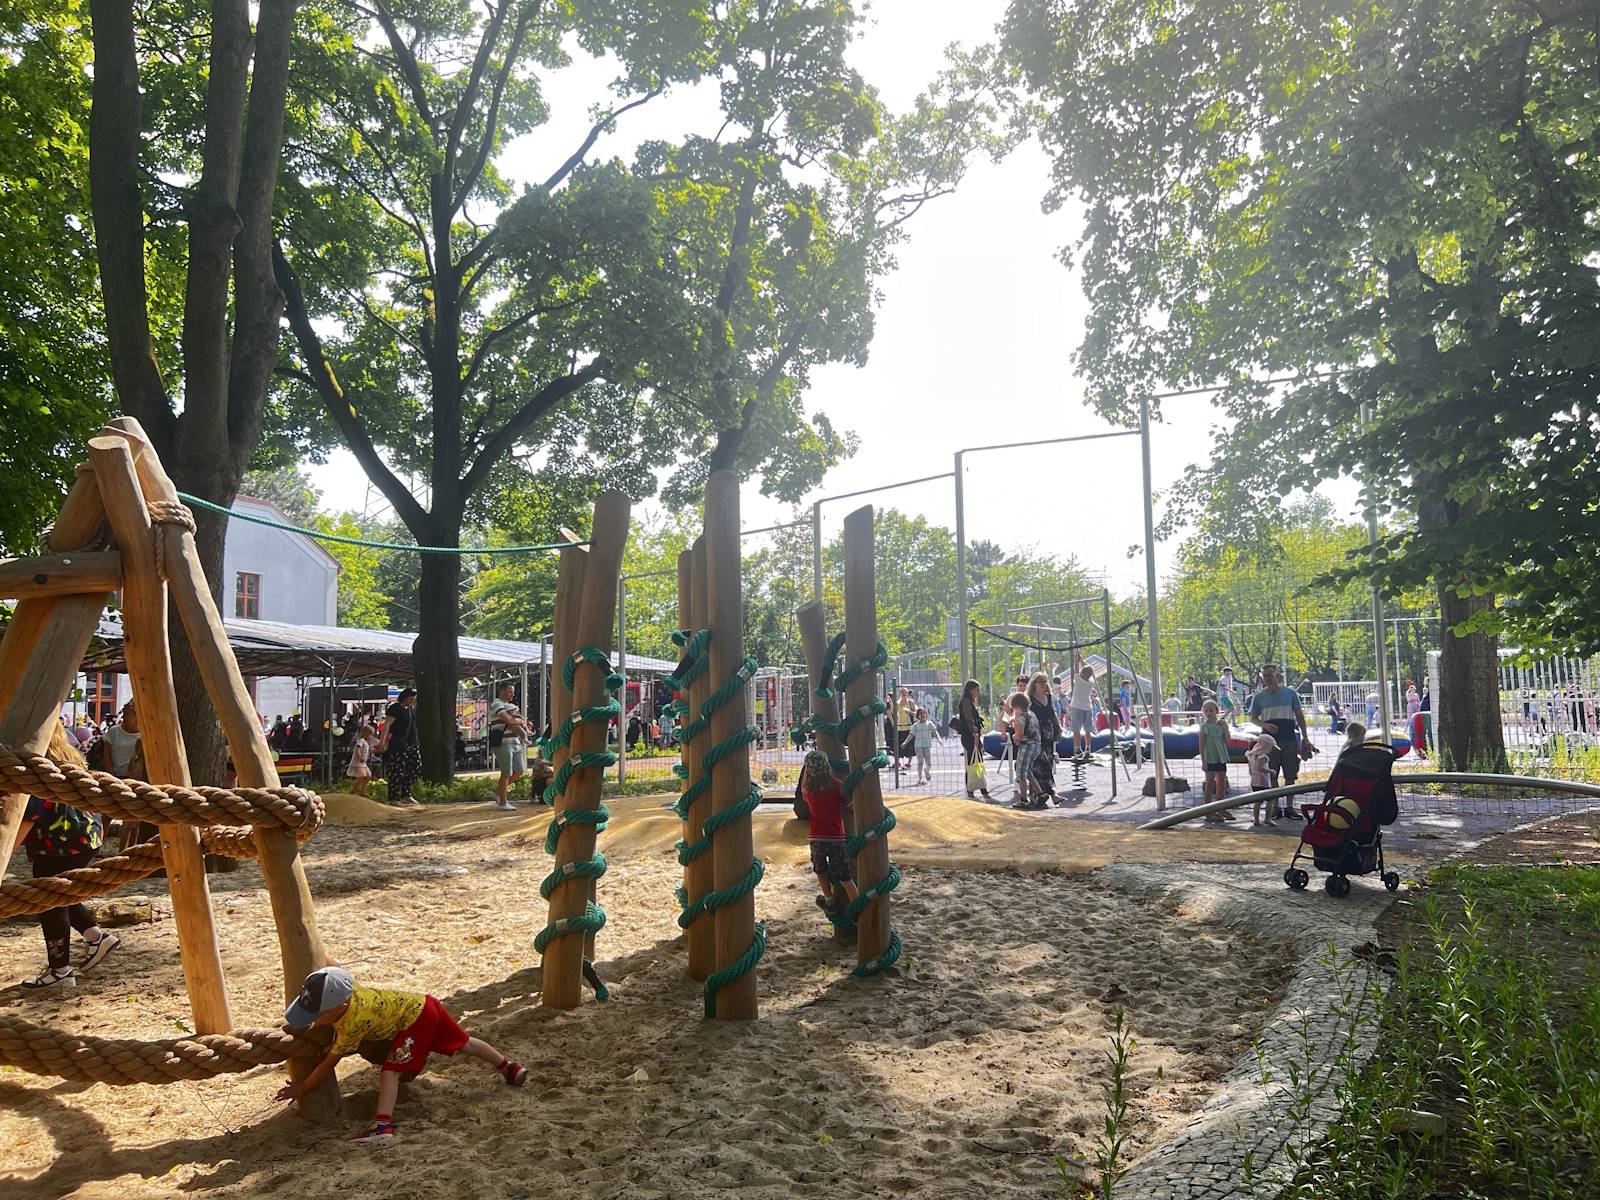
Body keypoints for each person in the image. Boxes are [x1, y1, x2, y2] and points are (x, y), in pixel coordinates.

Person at [276, 963, 527, 1144]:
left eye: (318, 1014)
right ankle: (509, 1067)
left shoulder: (351, 1025)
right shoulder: (350, 989)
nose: (314, 1020)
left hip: (414, 1021)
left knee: (391, 1071)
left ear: (340, 1007)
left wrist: (302, 1088)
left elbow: (328, 1063)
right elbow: (334, 968)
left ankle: (382, 1126)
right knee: (465, 1043)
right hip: (425, 1003)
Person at [12, 724, 125, 989]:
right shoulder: (68, 756)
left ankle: (60, 970)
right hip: (85, 838)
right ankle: (96, 937)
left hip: (61, 844)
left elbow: (28, 816)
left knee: (49, 901)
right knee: (62, 895)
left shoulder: (36, 768)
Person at [1247, 663, 1313, 819]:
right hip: (1268, 743)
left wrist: (1305, 737)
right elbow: (1253, 718)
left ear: (1276, 675)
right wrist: (1265, 725)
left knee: (1290, 773)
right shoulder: (1259, 697)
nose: (1268, 678)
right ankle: (1275, 807)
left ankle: (1289, 807)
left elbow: (1299, 716)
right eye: (1265, 676)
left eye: (1270, 675)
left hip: (1288, 738)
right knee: (1272, 774)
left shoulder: (1290, 693)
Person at [799, 750, 860, 918]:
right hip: (836, 839)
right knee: (845, 878)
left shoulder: (808, 790)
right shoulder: (836, 786)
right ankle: (858, 910)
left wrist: (806, 773)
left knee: (820, 870)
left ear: (807, 770)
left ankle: (829, 901)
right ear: (828, 767)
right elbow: (850, 805)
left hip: (816, 839)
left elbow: (803, 790)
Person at [488, 681, 529, 811]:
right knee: (506, 772)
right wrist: (521, 720)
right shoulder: (497, 704)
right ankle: (503, 802)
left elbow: (513, 720)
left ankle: (497, 793)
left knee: (520, 770)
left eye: (513, 692)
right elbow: (508, 720)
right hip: (503, 743)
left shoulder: (509, 706)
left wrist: (519, 722)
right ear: (502, 691)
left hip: (515, 742)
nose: (512, 694)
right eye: (510, 692)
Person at [378, 688, 422, 806]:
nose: (412, 701)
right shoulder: (395, 709)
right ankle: (393, 797)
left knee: (415, 767)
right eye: (411, 699)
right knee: (397, 770)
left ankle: (405, 794)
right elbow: (387, 725)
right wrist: (382, 742)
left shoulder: (411, 710)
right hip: (398, 744)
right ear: (405, 698)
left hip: (411, 743)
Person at [1026, 672, 1061, 803]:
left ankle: (1039, 795)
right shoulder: (1029, 699)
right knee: (1041, 763)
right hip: (1035, 734)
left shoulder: (1049, 697)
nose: (1043, 685)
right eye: (1040, 682)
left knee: (1048, 762)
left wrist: (1058, 728)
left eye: (1045, 682)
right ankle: (1053, 793)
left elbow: (1052, 714)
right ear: (1034, 684)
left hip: (1048, 733)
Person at [1199, 700, 1234, 823]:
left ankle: (1221, 808)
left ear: (1216, 711)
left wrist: (1225, 728)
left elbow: (1227, 740)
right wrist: (1203, 761)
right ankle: (1208, 811)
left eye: (1211, 710)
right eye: (1206, 710)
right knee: (1209, 784)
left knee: (1221, 783)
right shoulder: (1204, 727)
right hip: (1210, 757)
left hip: (1220, 757)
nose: (1208, 713)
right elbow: (1201, 745)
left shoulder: (1220, 725)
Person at [1007, 691, 1043, 810]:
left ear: (1016, 706)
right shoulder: (1032, 714)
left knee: (1021, 772)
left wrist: (1015, 737)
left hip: (1027, 746)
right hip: (1036, 745)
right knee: (1027, 771)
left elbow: (1020, 734)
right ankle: (1040, 794)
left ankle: (1023, 799)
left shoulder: (1021, 717)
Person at [956, 680, 991, 800]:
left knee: (975, 763)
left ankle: (976, 791)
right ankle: (977, 792)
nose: (978, 692)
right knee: (974, 763)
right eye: (977, 690)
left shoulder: (968, 701)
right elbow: (968, 719)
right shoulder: (966, 702)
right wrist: (974, 734)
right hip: (970, 736)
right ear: (970, 690)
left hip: (970, 736)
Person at [1245, 731, 1278, 826]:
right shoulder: (1262, 756)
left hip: (1254, 781)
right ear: (1266, 747)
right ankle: (1267, 818)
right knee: (1270, 800)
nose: (1271, 750)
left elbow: (1251, 769)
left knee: (1257, 801)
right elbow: (1260, 768)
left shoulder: (1252, 755)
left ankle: (1256, 820)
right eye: (1271, 747)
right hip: (1263, 782)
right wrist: (1270, 771)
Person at [1067, 654, 1097, 760]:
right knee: (1088, 730)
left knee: (1076, 730)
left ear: (1082, 673)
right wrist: (1082, 660)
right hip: (1087, 708)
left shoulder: (1078, 679)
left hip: (1077, 707)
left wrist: (1077, 660)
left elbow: (1076, 669)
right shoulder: (1090, 683)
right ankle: (1088, 748)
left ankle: (1077, 750)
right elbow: (1089, 670)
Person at [909, 706, 939, 785]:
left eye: (924, 713)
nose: (923, 715)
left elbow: (935, 732)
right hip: (918, 746)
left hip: (927, 745)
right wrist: (905, 742)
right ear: (918, 715)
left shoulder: (929, 724)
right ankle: (920, 778)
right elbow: (911, 735)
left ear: (926, 715)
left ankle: (926, 770)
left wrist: (939, 739)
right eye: (921, 713)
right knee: (920, 761)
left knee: (929, 763)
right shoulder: (915, 725)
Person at [344, 724, 375, 796]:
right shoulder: (361, 740)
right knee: (361, 777)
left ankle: (362, 790)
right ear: (365, 733)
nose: (371, 736)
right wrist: (360, 756)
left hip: (363, 763)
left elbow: (366, 750)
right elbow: (358, 748)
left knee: (368, 776)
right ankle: (353, 791)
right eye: (370, 735)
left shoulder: (366, 742)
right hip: (359, 762)